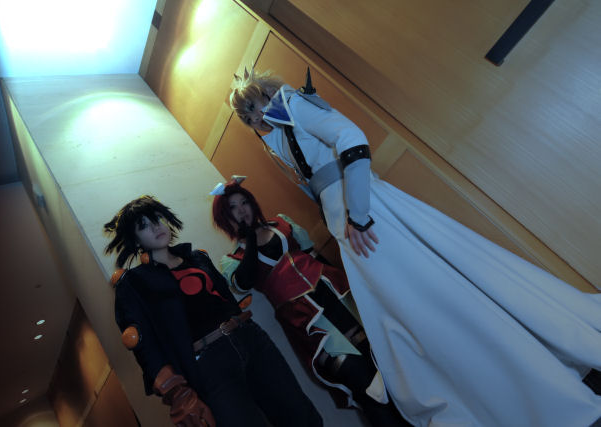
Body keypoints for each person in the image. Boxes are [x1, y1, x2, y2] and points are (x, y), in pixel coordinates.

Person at [228, 67, 601, 426]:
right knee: (421, 313)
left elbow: (352, 139)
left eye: (254, 106)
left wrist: (359, 214)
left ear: (265, 93)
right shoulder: (278, 134)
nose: (254, 117)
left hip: (368, 218)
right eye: (247, 116)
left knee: (444, 300)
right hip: (350, 227)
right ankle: (503, 394)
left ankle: (536, 384)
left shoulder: (294, 105)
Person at [104, 195, 323, 427]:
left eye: (157, 218)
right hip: (208, 363)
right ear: (135, 239)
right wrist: (173, 389)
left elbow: (227, 301)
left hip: (250, 339)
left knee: (299, 415)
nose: (156, 226)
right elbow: (145, 346)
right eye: (143, 226)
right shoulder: (134, 283)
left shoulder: (197, 258)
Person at [211, 177, 409, 426]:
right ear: (224, 217)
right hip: (307, 322)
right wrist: (249, 239)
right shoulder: (232, 260)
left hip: (337, 298)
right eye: (233, 207)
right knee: (361, 381)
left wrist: (359, 287)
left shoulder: (281, 223)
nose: (242, 210)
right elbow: (243, 282)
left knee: (387, 369)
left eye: (244, 202)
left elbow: (316, 257)